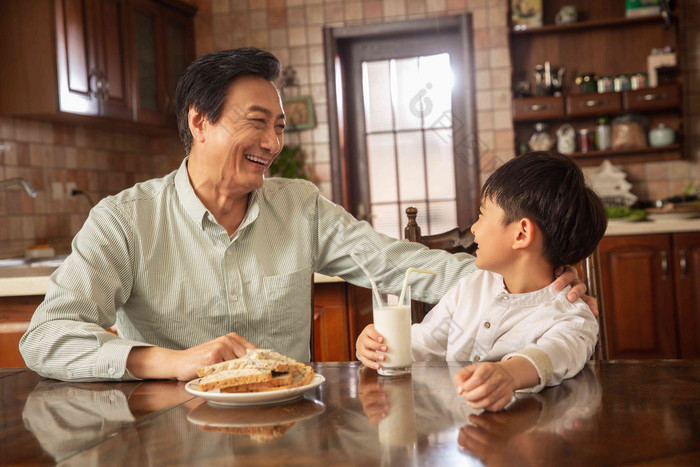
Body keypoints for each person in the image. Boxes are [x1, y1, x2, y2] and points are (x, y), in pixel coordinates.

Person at [19, 48, 591, 383]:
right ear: (199, 121)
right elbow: (45, 337)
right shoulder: (124, 220)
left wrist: (529, 286)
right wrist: (169, 361)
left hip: (290, 421)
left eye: (281, 126)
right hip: (171, 431)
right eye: (257, 122)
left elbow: (400, 266)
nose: (273, 142)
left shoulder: (298, 205)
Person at [356, 151, 607, 411]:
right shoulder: (471, 286)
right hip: (459, 436)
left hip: (529, 436)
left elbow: (555, 354)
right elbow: (424, 343)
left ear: (521, 233)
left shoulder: (574, 316)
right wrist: (377, 345)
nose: (474, 228)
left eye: (482, 214)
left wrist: (508, 374)